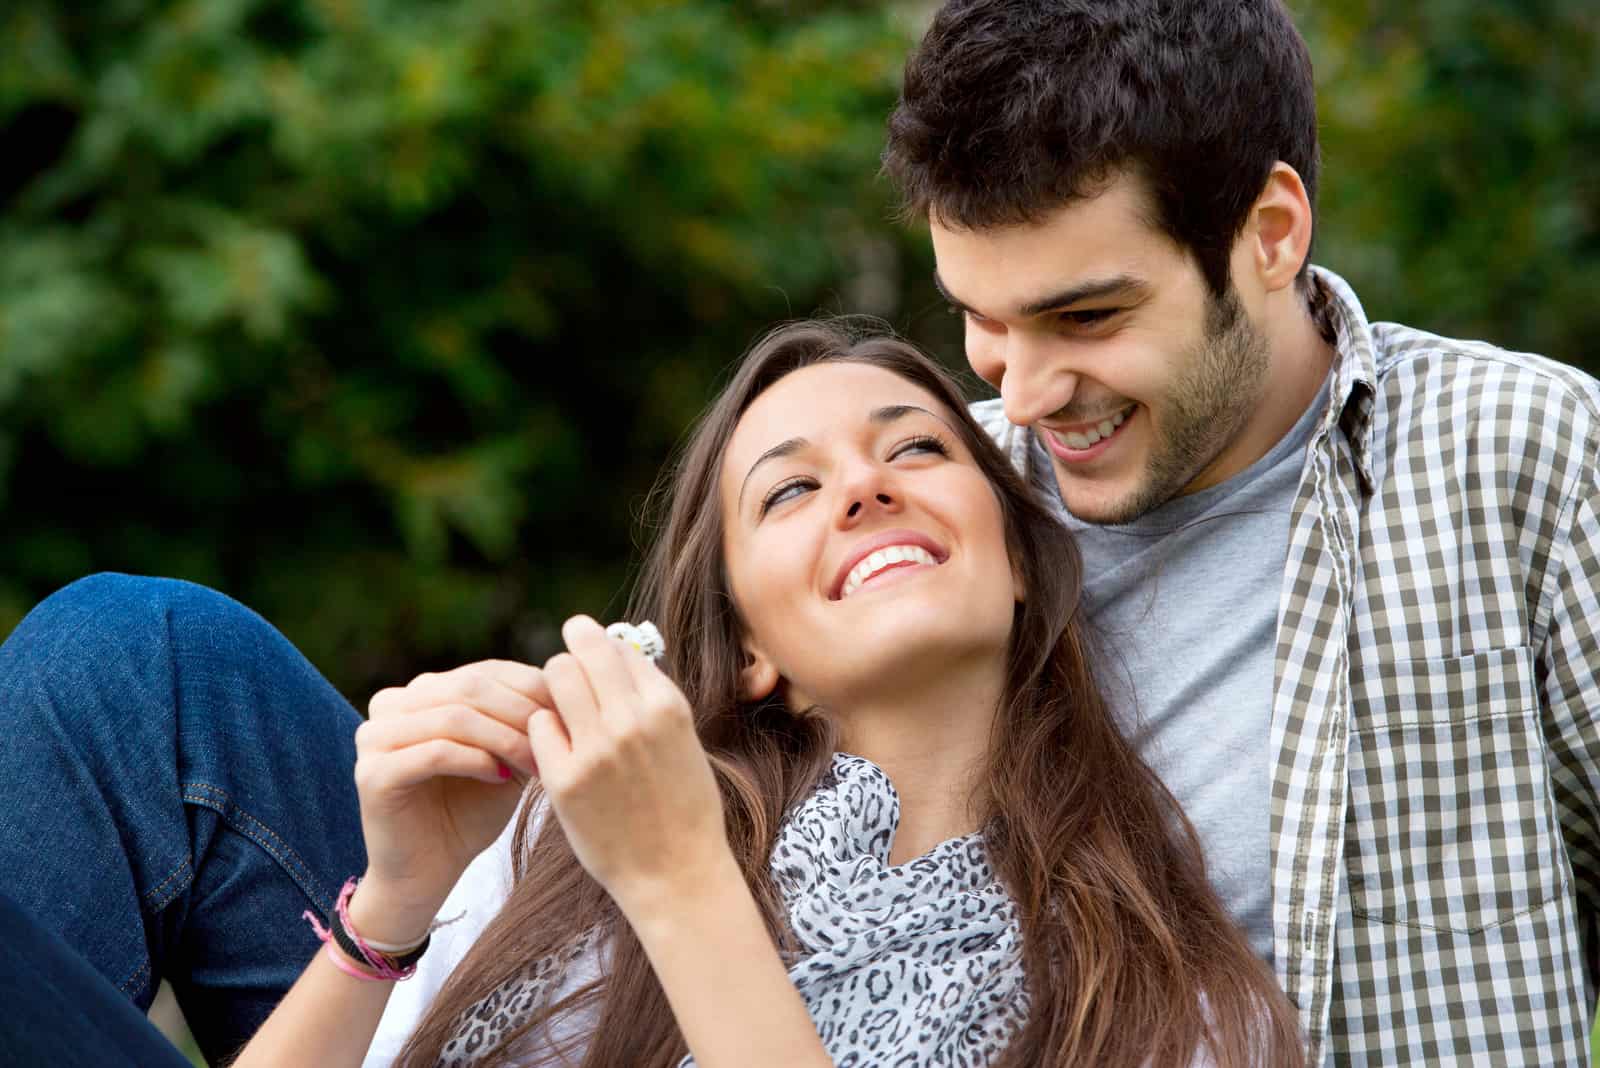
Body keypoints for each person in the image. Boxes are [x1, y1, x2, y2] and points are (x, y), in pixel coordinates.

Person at [0, 322, 1301, 1066]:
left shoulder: (1152, 990)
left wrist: (680, 881)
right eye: (792, 489)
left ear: (1021, 563)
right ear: (746, 656)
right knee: (129, 652)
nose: (863, 486)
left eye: (914, 448)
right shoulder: (604, 836)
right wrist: (395, 908)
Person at [879, 1, 1600, 1064]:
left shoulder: (1527, 456)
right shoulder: (933, 513)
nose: (1022, 396)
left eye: (1085, 318)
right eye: (981, 319)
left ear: (1269, 234)